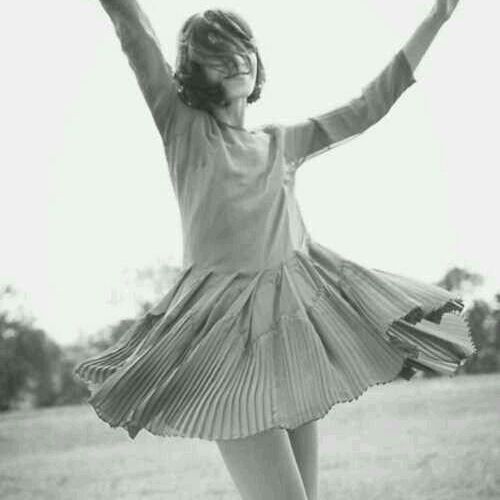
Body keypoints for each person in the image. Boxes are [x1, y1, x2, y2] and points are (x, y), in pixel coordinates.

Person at [74, 1, 477, 499]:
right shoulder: (185, 130)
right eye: (216, 54)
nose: (234, 59)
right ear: (193, 72)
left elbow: (367, 107)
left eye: (241, 46)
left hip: (288, 345)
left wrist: (436, 18)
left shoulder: (280, 143)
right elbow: (134, 31)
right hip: (222, 352)